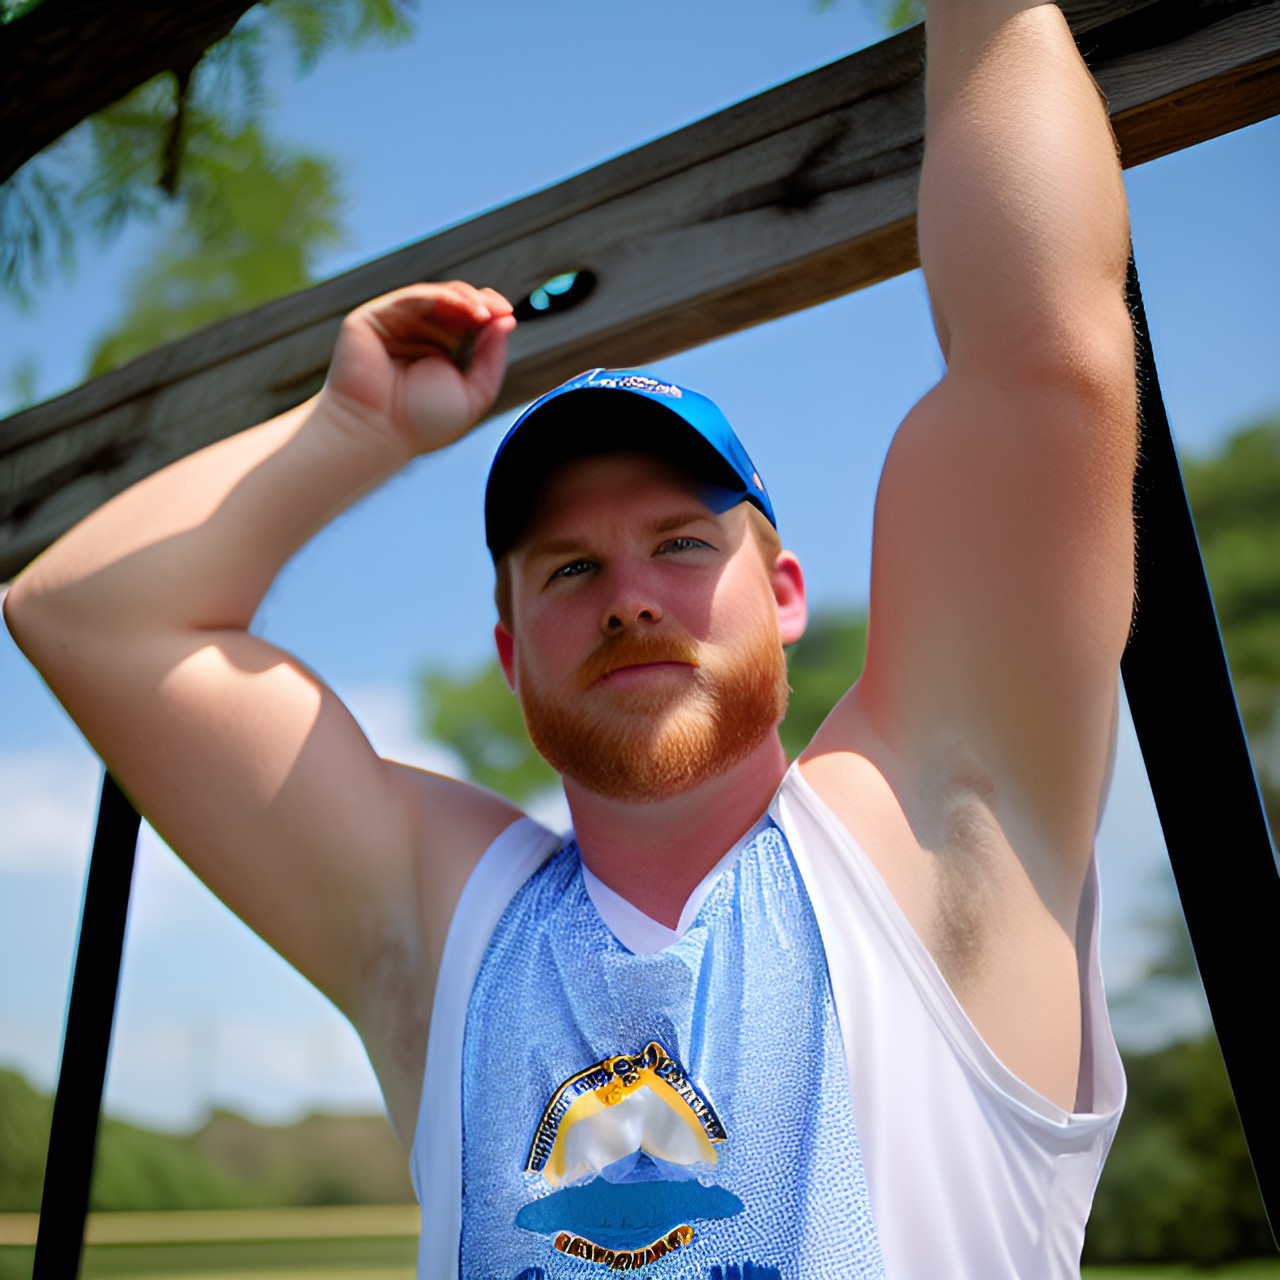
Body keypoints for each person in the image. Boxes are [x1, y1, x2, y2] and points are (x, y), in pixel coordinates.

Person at [5, 1, 1137, 1275]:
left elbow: (1041, 355)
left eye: (684, 542)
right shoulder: (448, 925)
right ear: (507, 650)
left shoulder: (929, 837)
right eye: (571, 566)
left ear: (782, 594)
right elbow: (86, 614)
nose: (629, 596)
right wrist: (351, 432)